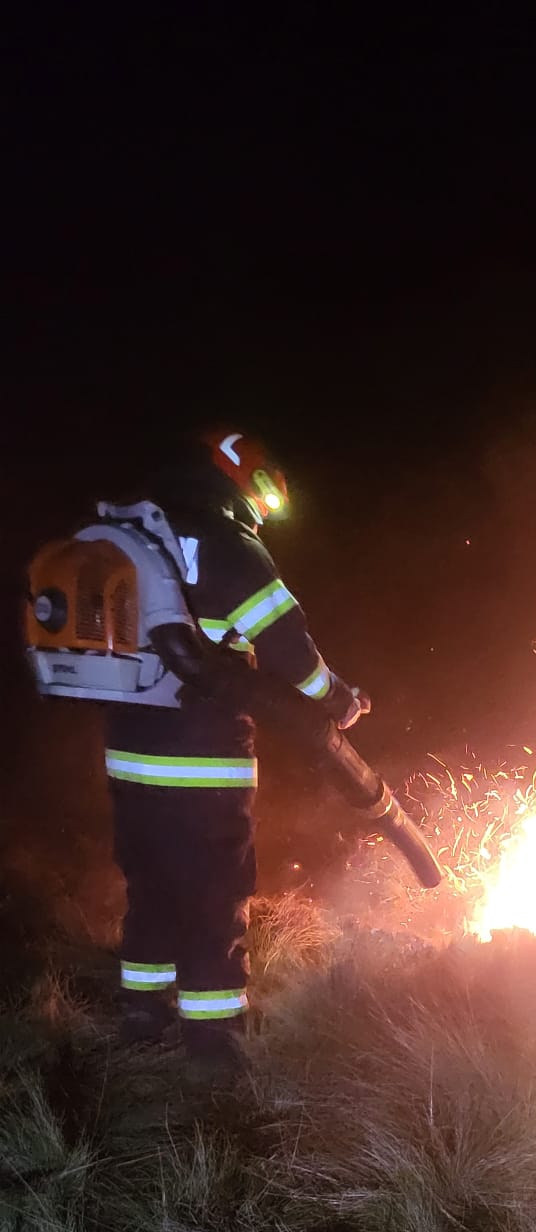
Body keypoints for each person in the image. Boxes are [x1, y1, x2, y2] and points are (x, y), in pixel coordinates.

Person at [105, 431, 367, 1076]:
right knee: (215, 891)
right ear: (244, 482)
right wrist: (339, 701)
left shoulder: (134, 538)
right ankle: (215, 1040)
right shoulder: (224, 544)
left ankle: (142, 1015)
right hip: (202, 762)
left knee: (151, 885)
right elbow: (289, 651)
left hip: (128, 758)